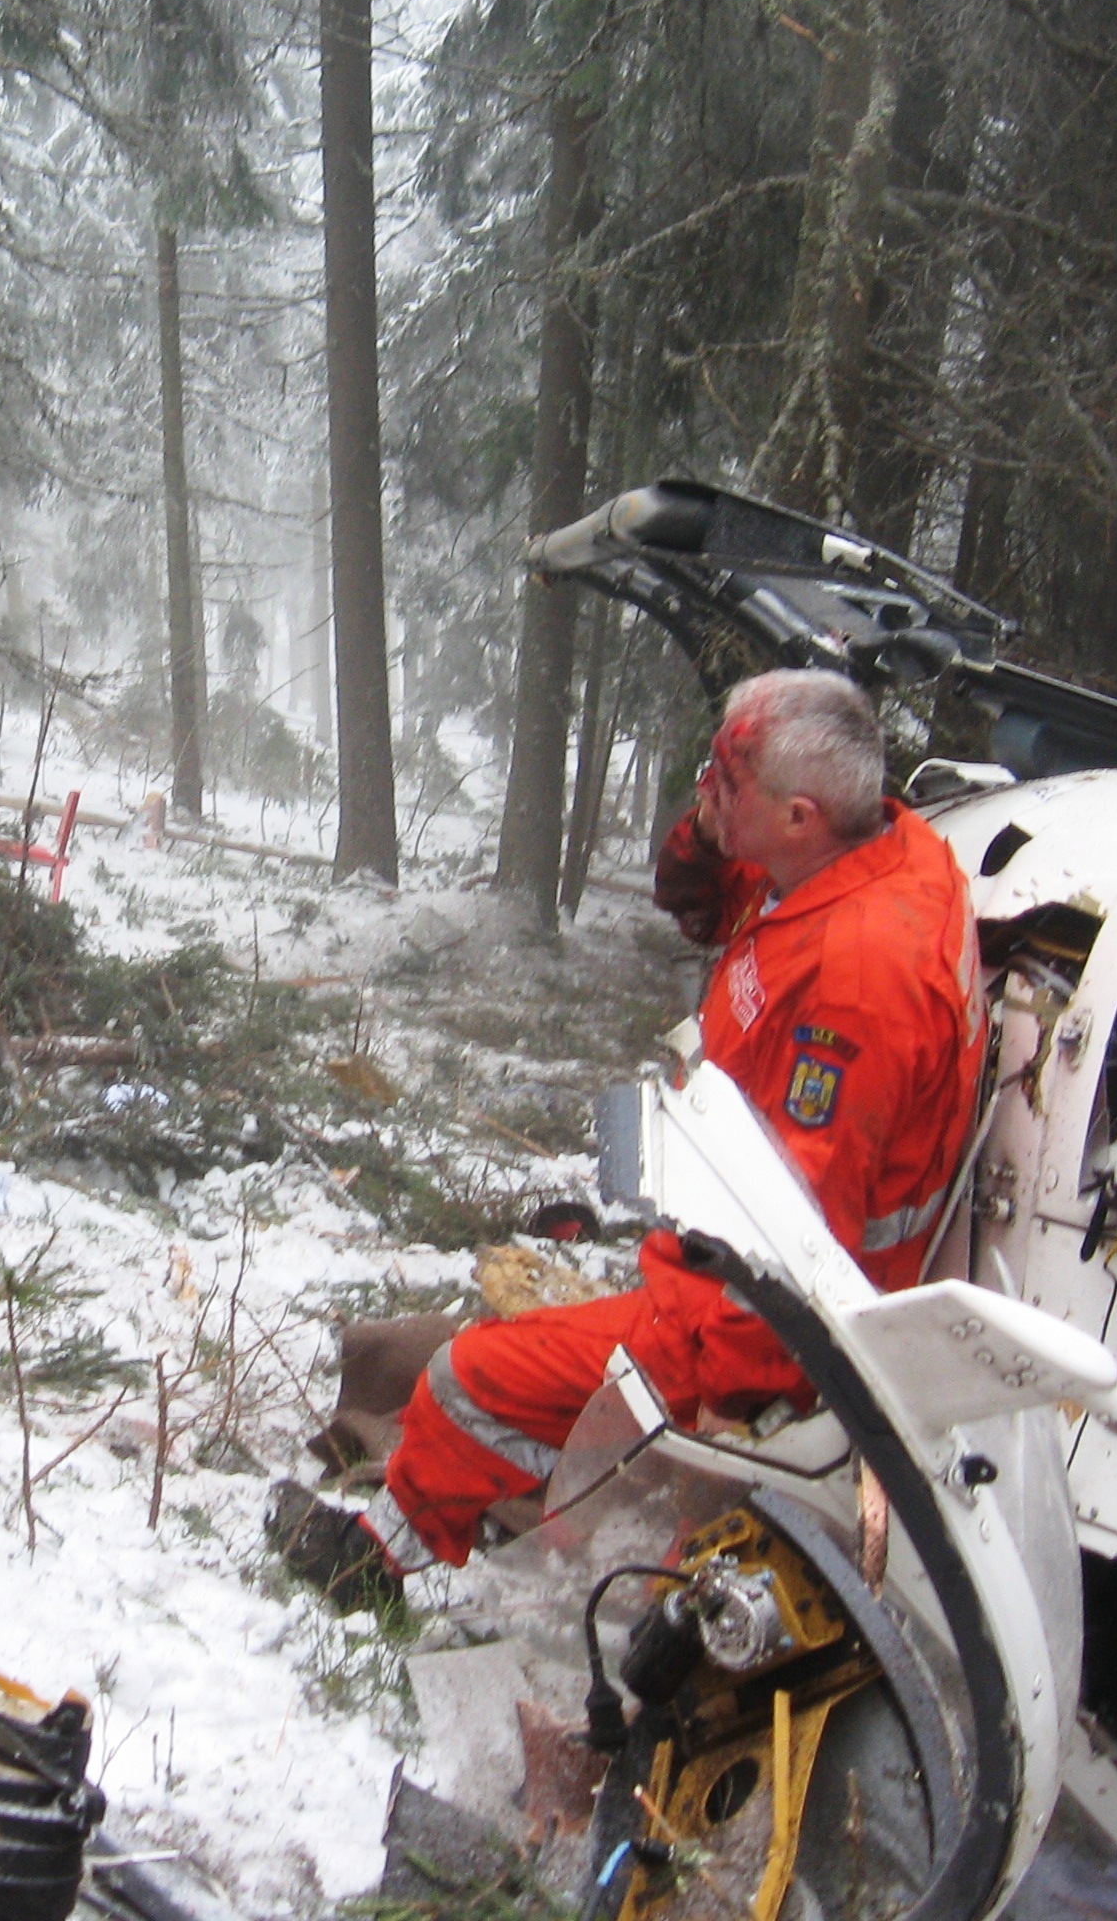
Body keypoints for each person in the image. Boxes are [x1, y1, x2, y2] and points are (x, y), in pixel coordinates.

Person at [273, 670, 983, 1606]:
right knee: (507, 1362)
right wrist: (718, 806)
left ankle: (372, 1564)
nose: (706, 794)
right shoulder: (861, 853)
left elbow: (796, 1250)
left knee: (466, 1378)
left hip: (767, 1331)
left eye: (727, 783)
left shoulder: (861, 983)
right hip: (717, 1261)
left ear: (802, 816)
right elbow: (694, 891)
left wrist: (703, 1396)